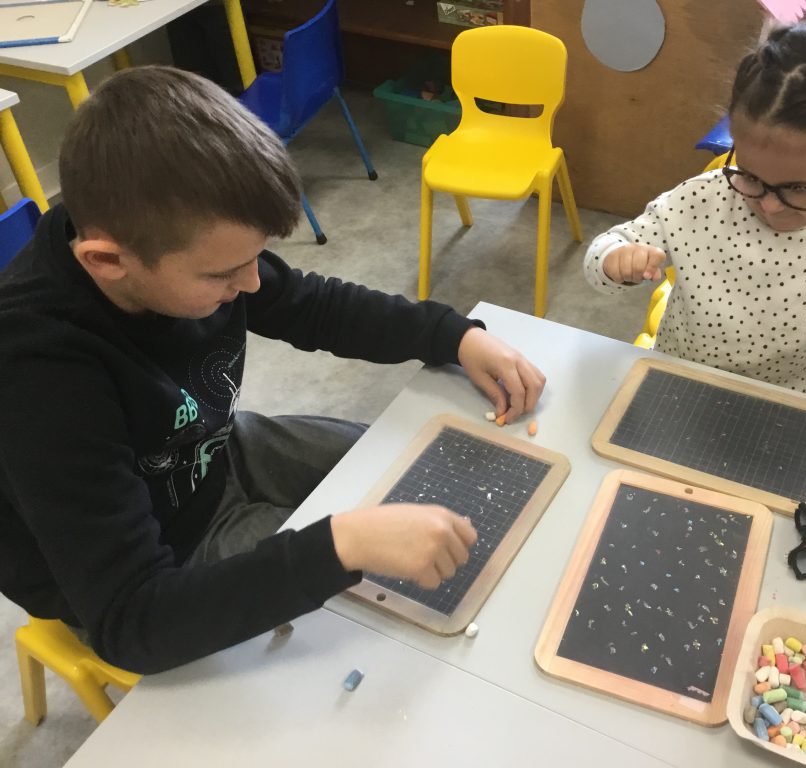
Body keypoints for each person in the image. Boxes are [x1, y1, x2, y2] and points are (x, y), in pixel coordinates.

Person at [0, 67, 545, 674]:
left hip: (213, 453)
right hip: (164, 557)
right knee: (387, 622)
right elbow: (132, 622)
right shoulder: (38, 372)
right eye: (223, 274)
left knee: (419, 476)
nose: (252, 284)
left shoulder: (167, 237)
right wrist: (343, 545)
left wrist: (453, 336)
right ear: (106, 261)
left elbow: (312, 306)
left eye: (255, 258)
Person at [584, 23, 806, 437]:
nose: (769, 204)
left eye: (799, 189)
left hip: (789, 403)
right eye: (750, 176)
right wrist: (615, 260)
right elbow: (609, 248)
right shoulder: (703, 199)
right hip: (682, 379)